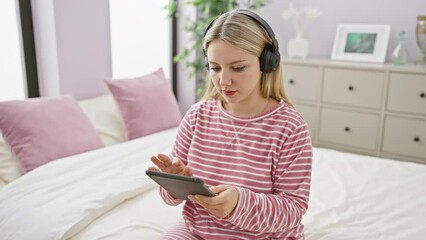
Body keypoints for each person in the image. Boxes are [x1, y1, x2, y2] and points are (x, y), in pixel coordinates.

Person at [148, 9, 313, 240]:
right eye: (215, 68)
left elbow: (293, 210)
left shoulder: (290, 127)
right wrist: (174, 183)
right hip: (197, 231)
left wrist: (239, 203)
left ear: (267, 63)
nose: (223, 81)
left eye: (237, 68)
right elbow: (169, 199)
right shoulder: (197, 116)